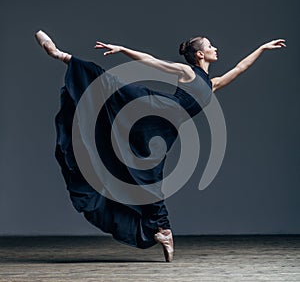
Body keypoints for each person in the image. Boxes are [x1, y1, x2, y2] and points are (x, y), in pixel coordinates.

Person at [35, 30, 285, 262]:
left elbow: (240, 67)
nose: (215, 48)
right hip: (154, 109)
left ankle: (162, 230)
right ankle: (61, 55)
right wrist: (122, 49)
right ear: (199, 54)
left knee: (148, 176)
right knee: (113, 88)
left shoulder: (212, 84)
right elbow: (151, 61)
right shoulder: (188, 73)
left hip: (162, 131)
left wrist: (262, 48)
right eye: (210, 46)